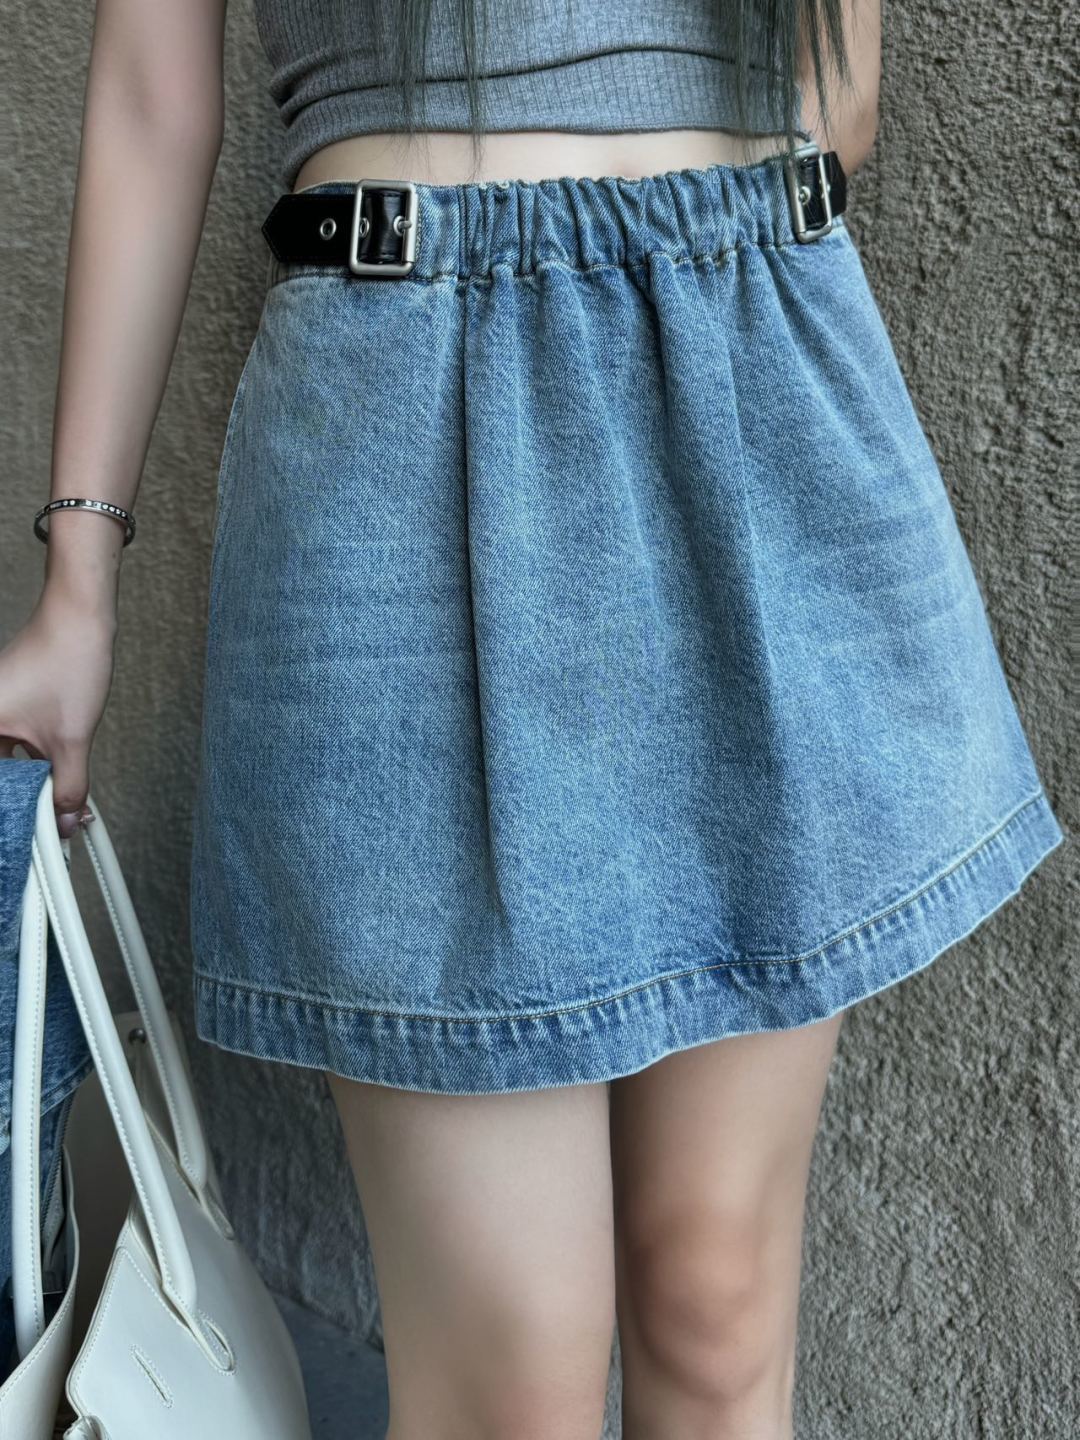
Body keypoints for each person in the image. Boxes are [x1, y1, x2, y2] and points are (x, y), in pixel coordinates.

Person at [0, 1, 1063, 1436]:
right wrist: (79, 585)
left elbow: (841, 93)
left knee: (717, 1302)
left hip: (740, 353)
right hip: (404, 396)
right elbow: (148, 91)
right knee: (510, 1378)